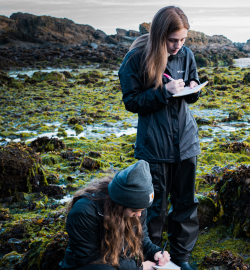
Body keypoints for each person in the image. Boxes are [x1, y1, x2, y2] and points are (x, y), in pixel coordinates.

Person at [118, 6, 201, 270]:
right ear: (159, 35)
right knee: (153, 209)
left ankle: (180, 258)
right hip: (154, 147)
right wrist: (164, 92)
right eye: (173, 40)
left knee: (186, 204)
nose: (178, 46)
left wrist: (192, 89)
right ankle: (151, 258)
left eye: (183, 40)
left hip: (186, 143)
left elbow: (192, 88)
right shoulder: (136, 59)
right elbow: (131, 101)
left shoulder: (186, 55)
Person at [59, 161, 171, 270]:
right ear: (121, 203)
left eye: (143, 209)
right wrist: (140, 267)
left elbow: (142, 238)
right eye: (135, 210)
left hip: (119, 263)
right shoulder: (84, 212)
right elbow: (90, 258)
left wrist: (154, 251)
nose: (139, 214)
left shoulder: (137, 208)